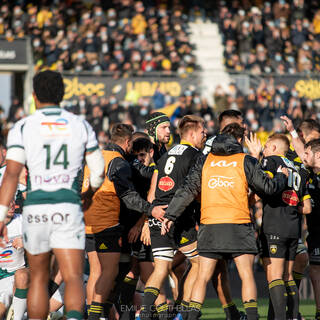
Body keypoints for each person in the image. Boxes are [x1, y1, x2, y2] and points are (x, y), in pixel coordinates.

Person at [0, 70, 106, 320]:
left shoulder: (22, 127)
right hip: (67, 205)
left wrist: (2, 217)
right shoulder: (80, 124)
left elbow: (12, 175)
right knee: (72, 275)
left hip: (36, 208)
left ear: (34, 96)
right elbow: (99, 172)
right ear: (63, 94)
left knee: (37, 277)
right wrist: (88, 195)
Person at [162, 123, 288, 320]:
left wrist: (170, 215)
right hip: (238, 223)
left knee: (202, 277)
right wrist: (282, 176)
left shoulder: (205, 160)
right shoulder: (244, 160)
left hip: (210, 224)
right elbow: (268, 188)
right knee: (246, 274)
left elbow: (187, 190)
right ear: (238, 142)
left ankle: (191, 317)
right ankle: (252, 317)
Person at [83, 123, 166, 320]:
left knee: (97, 271)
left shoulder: (94, 158)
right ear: (128, 142)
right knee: (111, 272)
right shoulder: (119, 162)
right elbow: (128, 196)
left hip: (88, 222)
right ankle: (96, 317)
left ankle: (98, 315)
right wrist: (150, 210)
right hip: (107, 223)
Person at [140, 115, 207, 319]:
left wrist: (147, 221)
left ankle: (145, 313)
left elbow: (152, 191)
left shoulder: (166, 155)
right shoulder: (195, 155)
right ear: (192, 134)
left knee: (160, 269)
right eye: (203, 132)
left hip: (156, 216)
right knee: (199, 262)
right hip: (177, 216)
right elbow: (196, 189)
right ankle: (182, 311)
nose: (205, 135)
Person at [259, 133, 311, 320]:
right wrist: (290, 203)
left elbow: (265, 186)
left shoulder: (271, 161)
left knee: (274, 276)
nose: (263, 150)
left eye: (265, 147)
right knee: (288, 276)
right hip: (293, 228)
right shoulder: (298, 170)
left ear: (273, 148)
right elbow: (307, 208)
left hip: (275, 224)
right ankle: (294, 316)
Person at [0, 199, 28, 320]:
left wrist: (27, 242)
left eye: (13, 200)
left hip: (18, 276)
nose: (11, 204)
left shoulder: (22, 221)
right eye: (7, 200)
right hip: (2, 278)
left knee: (20, 276)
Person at [302, 139, 320, 320]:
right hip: (315, 233)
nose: (303, 157)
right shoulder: (307, 175)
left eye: (307, 154)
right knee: (315, 269)